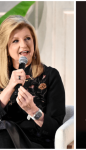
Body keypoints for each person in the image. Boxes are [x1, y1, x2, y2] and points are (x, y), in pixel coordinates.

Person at [0, 15, 65, 148]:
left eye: (27, 38)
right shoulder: (1, 78)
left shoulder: (50, 76)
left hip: (35, 143)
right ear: (6, 48)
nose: (24, 45)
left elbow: (56, 130)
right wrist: (10, 86)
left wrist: (33, 111)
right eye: (15, 41)